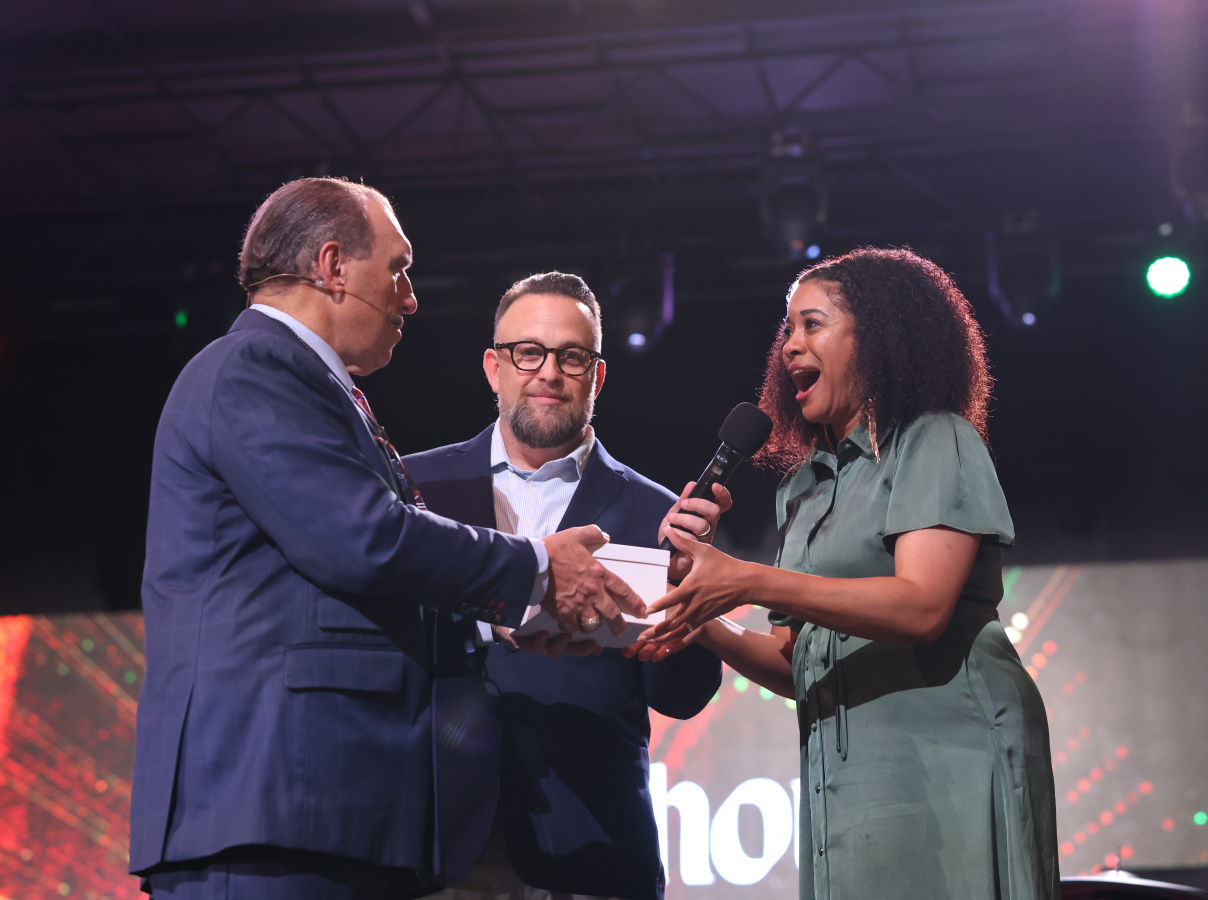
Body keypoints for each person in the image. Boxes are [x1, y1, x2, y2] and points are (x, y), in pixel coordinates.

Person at [129, 178, 644, 899]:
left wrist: (502, 626)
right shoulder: (255, 367)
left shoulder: (312, 384)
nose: (411, 298)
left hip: (315, 811)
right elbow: (362, 539)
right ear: (333, 266)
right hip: (268, 803)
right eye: (398, 269)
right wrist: (535, 569)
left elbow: (344, 579)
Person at [639, 248, 1060, 899]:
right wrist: (697, 610)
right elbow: (795, 661)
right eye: (787, 330)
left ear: (879, 337)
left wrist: (747, 580)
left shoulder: (935, 438)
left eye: (812, 324)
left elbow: (923, 606)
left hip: (953, 752)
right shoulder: (802, 489)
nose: (789, 346)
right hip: (853, 778)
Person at [403, 272, 724, 900]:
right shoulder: (416, 492)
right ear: (494, 368)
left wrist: (691, 594)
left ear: (596, 377)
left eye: (571, 357)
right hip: (436, 850)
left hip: (593, 853)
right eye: (529, 352)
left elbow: (682, 698)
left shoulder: (656, 514)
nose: (548, 372)